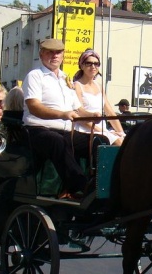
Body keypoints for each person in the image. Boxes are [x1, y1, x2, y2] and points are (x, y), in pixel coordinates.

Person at [22, 38, 96, 199]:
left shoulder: (65, 79)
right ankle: (79, 187)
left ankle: (100, 186)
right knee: (58, 141)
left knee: (98, 142)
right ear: (41, 54)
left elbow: (77, 109)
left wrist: (94, 116)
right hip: (37, 130)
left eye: (58, 52)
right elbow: (34, 107)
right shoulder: (35, 76)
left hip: (65, 131)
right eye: (50, 52)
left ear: (63, 55)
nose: (54, 56)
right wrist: (62, 114)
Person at [73, 49, 126, 146]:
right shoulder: (77, 86)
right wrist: (105, 132)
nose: (93, 66)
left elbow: (110, 112)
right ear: (82, 65)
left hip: (102, 130)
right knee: (119, 143)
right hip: (86, 129)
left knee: (126, 141)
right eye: (89, 63)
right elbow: (79, 114)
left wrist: (122, 133)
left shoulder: (99, 86)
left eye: (96, 64)